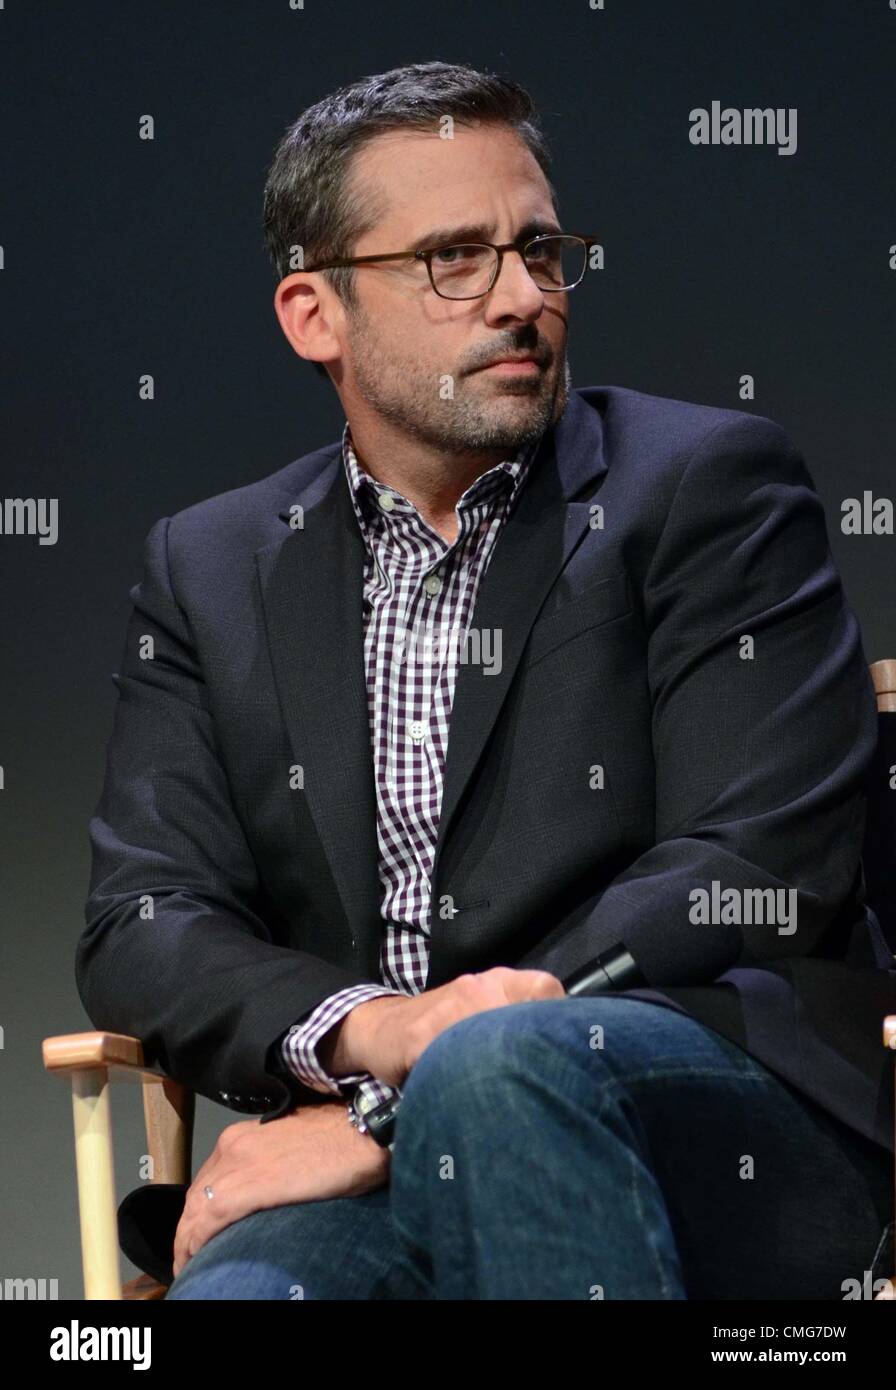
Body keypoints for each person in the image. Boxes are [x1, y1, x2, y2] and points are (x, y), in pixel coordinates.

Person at [77, 61, 895, 1300]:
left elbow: (755, 859)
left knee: (499, 1070)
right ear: (315, 315)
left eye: (542, 250)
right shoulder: (210, 564)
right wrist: (374, 1036)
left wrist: (415, 1083)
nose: (522, 297)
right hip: (378, 1152)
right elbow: (147, 918)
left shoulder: (704, 485)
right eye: (455, 259)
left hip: (714, 1119)